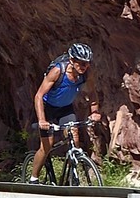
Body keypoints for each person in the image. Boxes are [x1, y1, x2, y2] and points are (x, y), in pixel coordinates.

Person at [31, 43, 98, 179]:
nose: (84, 67)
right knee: (47, 146)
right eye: (80, 63)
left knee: (74, 138)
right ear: (72, 61)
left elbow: (93, 94)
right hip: (47, 107)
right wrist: (42, 120)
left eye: (87, 63)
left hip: (65, 108)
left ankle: (70, 176)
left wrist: (94, 111)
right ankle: (34, 178)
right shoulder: (57, 71)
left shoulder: (86, 74)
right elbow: (38, 95)